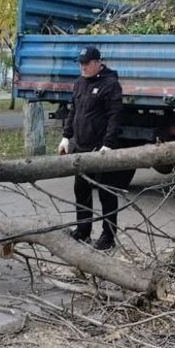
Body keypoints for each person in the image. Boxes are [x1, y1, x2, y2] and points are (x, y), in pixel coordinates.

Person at [56, 46, 135, 251]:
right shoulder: (79, 83)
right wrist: (66, 137)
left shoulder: (110, 84)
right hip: (81, 148)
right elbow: (73, 111)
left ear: (97, 62)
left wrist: (108, 144)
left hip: (101, 149)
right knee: (81, 190)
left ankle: (108, 236)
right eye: (80, 63)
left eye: (86, 63)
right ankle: (83, 231)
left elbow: (115, 116)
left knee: (106, 193)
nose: (82, 67)